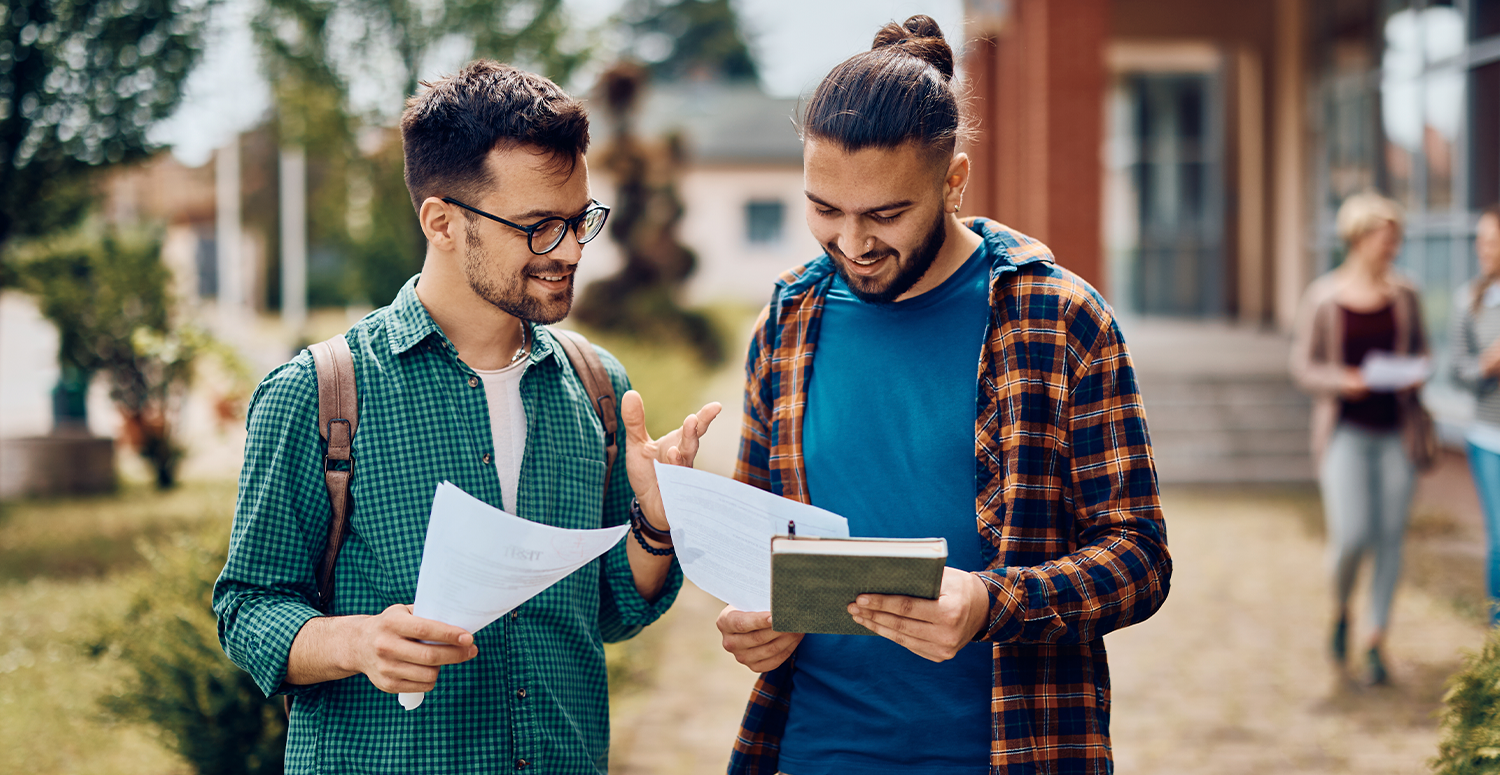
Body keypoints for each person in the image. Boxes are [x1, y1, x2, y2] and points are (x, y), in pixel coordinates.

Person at [213, 59, 719, 774]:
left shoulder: (598, 386)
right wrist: (360, 642)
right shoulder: (320, 393)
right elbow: (247, 606)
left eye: (579, 221)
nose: (571, 250)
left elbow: (607, 610)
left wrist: (656, 523)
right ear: (442, 222)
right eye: (540, 227)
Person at [712, 16, 1172, 775]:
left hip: (1010, 750)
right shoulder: (786, 323)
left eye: (885, 215)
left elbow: (1141, 558)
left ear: (953, 179)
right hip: (813, 750)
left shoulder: (1061, 321)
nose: (853, 243)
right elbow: (757, 545)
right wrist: (750, 619)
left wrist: (991, 604)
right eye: (825, 209)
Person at [1290, 191, 1430, 685]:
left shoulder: (1406, 294)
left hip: (1398, 432)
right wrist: (1344, 380)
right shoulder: (1324, 297)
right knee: (1351, 536)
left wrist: (1413, 374)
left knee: (1390, 538)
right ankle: (1342, 608)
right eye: (1384, 237)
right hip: (1346, 431)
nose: (1392, 246)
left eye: (1396, 239)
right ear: (1360, 237)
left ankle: (1375, 639)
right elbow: (1303, 367)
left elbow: (1422, 353)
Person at [1448, 204, 1500, 625]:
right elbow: (1456, 371)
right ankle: (1497, 643)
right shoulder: (1469, 301)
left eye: (1491, 240)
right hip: (1489, 438)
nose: (1483, 248)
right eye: (1480, 240)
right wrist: (1485, 365)